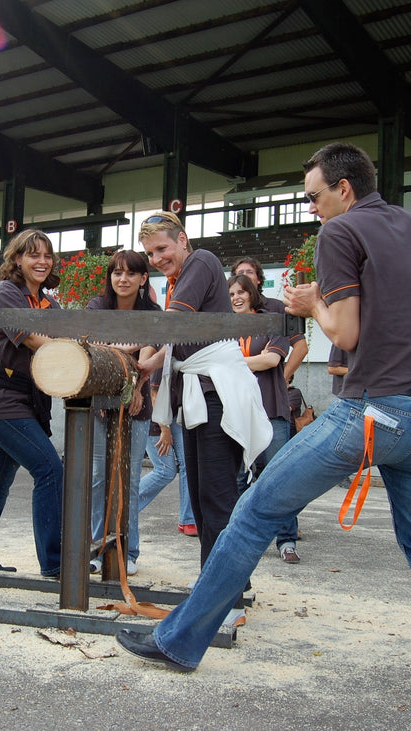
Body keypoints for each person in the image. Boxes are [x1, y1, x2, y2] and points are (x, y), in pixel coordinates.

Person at [117, 142, 411, 720]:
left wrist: (309, 305)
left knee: (252, 511)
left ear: (345, 189)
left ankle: (178, 641)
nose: (311, 208)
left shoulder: (340, 232)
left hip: (368, 414)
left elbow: (347, 334)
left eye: (313, 196)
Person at [137, 211, 270, 570]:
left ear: (182, 239)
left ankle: (227, 593)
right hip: (197, 396)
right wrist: (148, 364)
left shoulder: (201, 260)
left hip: (215, 398)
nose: (156, 259)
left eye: (162, 248)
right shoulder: (180, 278)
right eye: (150, 254)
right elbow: (183, 337)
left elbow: (176, 322)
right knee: (200, 501)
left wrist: (131, 339)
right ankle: (217, 586)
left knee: (216, 500)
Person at [0, 229, 63, 578]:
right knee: (50, 470)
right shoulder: (6, 292)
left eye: (47, 255)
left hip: (28, 396)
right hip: (1, 396)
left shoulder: (50, 304)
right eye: (33, 254)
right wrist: (73, 352)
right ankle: (55, 563)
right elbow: (35, 340)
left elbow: (65, 338)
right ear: (17, 259)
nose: (42, 261)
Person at [86, 250, 158, 575]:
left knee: (128, 480)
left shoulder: (152, 312)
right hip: (99, 402)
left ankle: (128, 550)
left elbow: (150, 353)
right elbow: (92, 349)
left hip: (136, 403)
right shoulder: (96, 308)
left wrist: (139, 388)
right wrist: (127, 347)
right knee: (101, 477)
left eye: (131, 273)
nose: (123, 279)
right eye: (117, 273)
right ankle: (97, 548)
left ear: (143, 278)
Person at [228, 273, 302, 564]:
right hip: (236, 412)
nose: (236, 297)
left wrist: (229, 362)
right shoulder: (225, 328)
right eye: (231, 293)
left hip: (271, 409)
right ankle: (238, 534)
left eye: (241, 291)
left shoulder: (272, 321)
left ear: (252, 293)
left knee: (278, 477)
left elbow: (271, 360)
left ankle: (286, 540)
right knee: (237, 478)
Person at [231, 257, 309, 386]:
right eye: (240, 273)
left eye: (249, 272)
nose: (244, 276)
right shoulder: (229, 314)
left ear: (259, 279)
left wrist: (283, 378)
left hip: (268, 388)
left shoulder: (277, 308)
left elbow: (301, 347)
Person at [139, 385, 196, 536]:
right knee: (165, 471)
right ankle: (123, 508)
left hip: (176, 416)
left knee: (188, 465)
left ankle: (188, 519)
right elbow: (154, 395)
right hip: (156, 421)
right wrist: (165, 429)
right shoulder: (162, 362)